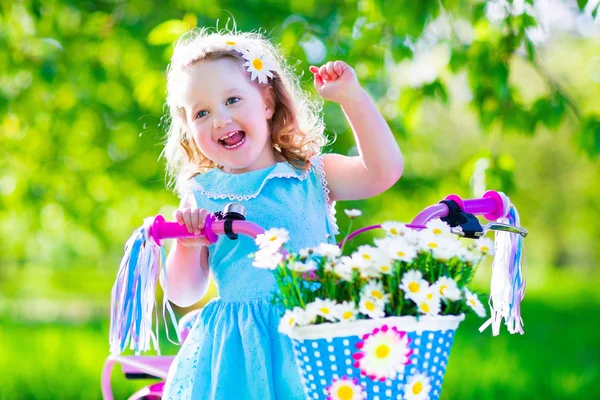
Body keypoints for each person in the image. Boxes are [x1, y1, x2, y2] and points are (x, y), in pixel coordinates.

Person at [160, 28, 403, 399]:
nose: (220, 120)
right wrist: (188, 246)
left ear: (268, 103)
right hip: (237, 351)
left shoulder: (309, 175)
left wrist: (350, 97)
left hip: (315, 334)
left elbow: (383, 171)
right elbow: (183, 291)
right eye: (202, 113)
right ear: (189, 129)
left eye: (233, 100)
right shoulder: (201, 194)